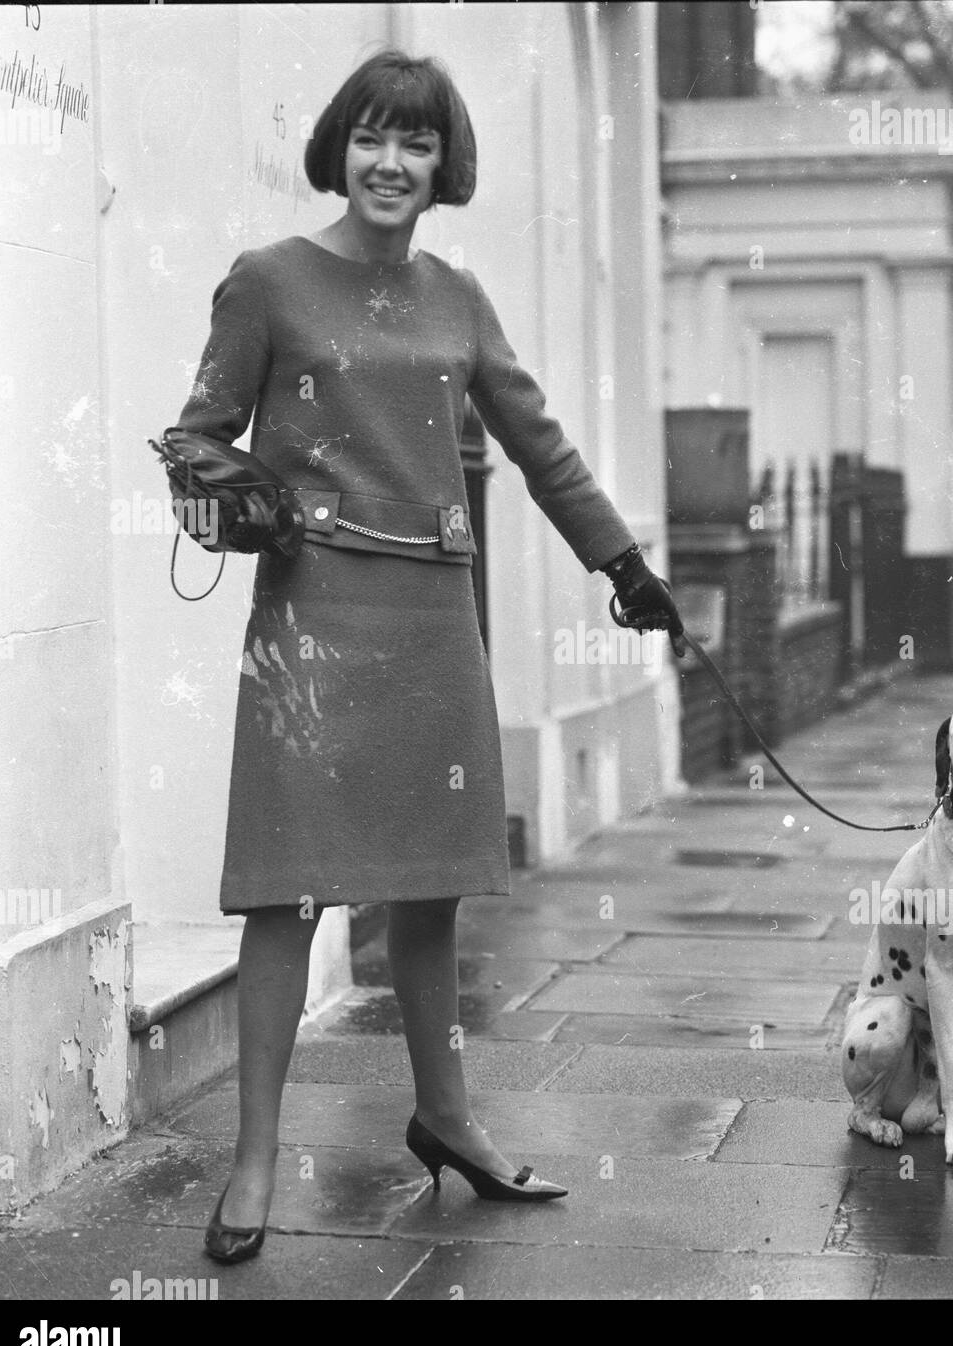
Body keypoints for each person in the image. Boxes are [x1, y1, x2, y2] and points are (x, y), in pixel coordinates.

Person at [176, 48, 681, 1264]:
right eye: (370, 139)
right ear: (338, 152)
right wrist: (226, 495)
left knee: (428, 894)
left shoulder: (458, 298)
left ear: (442, 164)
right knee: (287, 891)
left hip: (433, 619)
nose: (390, 163)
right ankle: (252, 1163)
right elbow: (197, 434)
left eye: (414, 143)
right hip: (309, 625)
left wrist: (623, 565)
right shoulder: (268, 283)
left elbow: (540, 443)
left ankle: (446, 1117)